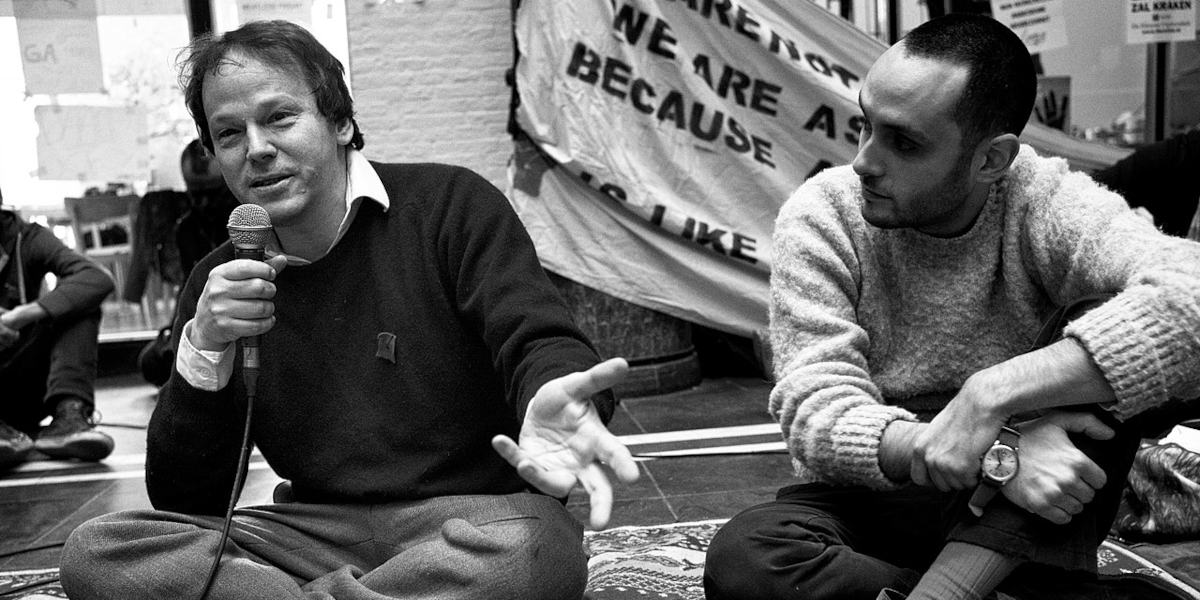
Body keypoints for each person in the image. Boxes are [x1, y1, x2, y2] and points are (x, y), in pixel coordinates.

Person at [59, 19, 638, 600]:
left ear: (340, 121)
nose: (257, 149)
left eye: (280, 118)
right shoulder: (221, 280)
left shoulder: (450, 208)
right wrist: (203, 349)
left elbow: (538, 338)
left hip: (471, 520)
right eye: (230, 134)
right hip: (310, 531)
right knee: (98, 550)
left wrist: (554, 395)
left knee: (538, 549)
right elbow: (189, 502)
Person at [703, 13, 1200, 600]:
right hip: (892, 492)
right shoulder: (823, 215)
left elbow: (1190, 293)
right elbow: (815, 411)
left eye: (904, 142)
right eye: (866, 124)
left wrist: (992, 393)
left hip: (1013, 518)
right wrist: (997, 451)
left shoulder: (1046, 202)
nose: (864, 160)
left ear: (991, 160)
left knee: (1106, 314)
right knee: (749, 561)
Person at [0, 194, 116, 468]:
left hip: (24, 382)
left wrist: (20, 316)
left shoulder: (27, 238)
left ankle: (69, 416)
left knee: (79, 306)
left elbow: (96, 279)